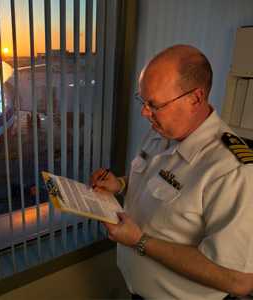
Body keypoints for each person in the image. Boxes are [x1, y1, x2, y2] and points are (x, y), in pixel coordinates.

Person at [90, 44, 253, 299]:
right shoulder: (163, 131)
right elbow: (155, 183)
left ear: (195, 98)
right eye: (142, 101)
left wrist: (140, 241)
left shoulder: (232, 170)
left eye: (154, 104)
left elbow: (239, 279)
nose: (144, 112)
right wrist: (120, 185)